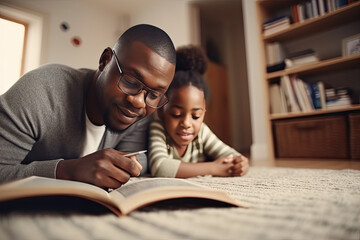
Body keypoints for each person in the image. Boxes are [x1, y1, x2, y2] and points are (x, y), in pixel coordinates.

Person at [0, 24, 176, 188]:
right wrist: (65, 171)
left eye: (154, 94)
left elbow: (138, 158)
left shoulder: (143, 112)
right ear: (105, 61)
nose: (138, 102)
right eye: (130, 81)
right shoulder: (39, 91)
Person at [149, 45, 249, 178]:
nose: (186, 123)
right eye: (176, 114)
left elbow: (232, 156)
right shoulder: (158, 128)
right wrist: (213, 168)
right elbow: (161, 168)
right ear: (161, 111)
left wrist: (241, 162)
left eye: (195, 116)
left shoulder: (202, 132)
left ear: (204, 113)